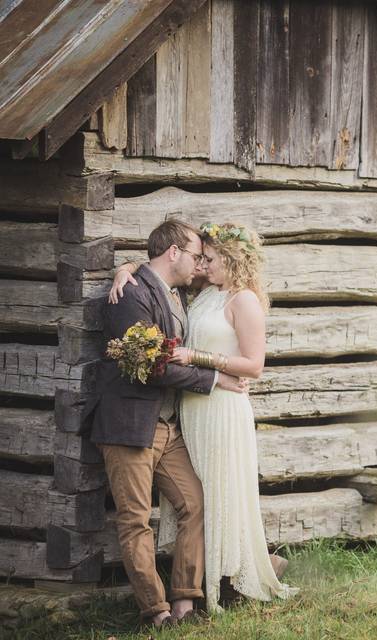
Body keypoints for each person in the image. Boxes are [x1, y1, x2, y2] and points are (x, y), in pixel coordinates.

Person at [110, 222, 296, 612]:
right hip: (179, 414)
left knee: (209, 497)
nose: (201, 266)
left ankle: (214, 582)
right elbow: (156, 269)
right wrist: (123, 269)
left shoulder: (238, 298)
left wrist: (204, 363)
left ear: (229, 259)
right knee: (168, 510)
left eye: (208, 259)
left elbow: (255, 364)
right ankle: (166, 606)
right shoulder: (200, 292)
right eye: (200, 257)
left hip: (214, 411)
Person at [82, 220, 247, 628]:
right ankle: (155, 612)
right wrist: (215, 379)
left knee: (195, 503)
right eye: (194, 256)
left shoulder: (175, 291)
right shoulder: (129, 296)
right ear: (174, 252)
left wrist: (131, 263)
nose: (199, 265)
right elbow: (151, 365)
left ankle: (185, 601)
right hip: (129, 427)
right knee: (136, 519)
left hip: (168, 428)